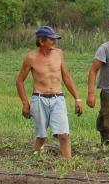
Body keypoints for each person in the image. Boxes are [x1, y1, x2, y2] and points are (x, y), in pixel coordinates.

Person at [15, 25, 83, 159]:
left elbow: (67, 77)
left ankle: (67, 164)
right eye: (51, 39)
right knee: (41, 136)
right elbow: (19, 81)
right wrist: (25, 103)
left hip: (58, 98)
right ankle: (36, 160)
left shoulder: (59, 53)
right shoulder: (31, 58)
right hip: (39, 98)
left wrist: (77, 98)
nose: (54, 42)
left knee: (63, 135)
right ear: (41, 41)